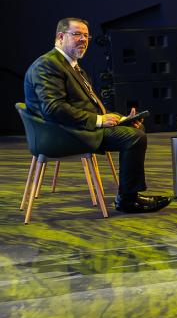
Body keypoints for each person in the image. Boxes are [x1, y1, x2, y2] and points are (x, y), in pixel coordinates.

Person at [22, 16, 168, 214]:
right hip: (64, 133)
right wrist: (99, 120)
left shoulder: (70, 64)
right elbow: (54, 108)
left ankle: (129, 194)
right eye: (77, 34)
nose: (83, 39)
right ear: (60, 36)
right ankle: (128, 200)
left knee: (135, 127)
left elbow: (84, 104)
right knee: (135, 138)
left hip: (73, 126)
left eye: (86, 36)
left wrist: (120, 119)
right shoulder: (47, 65)